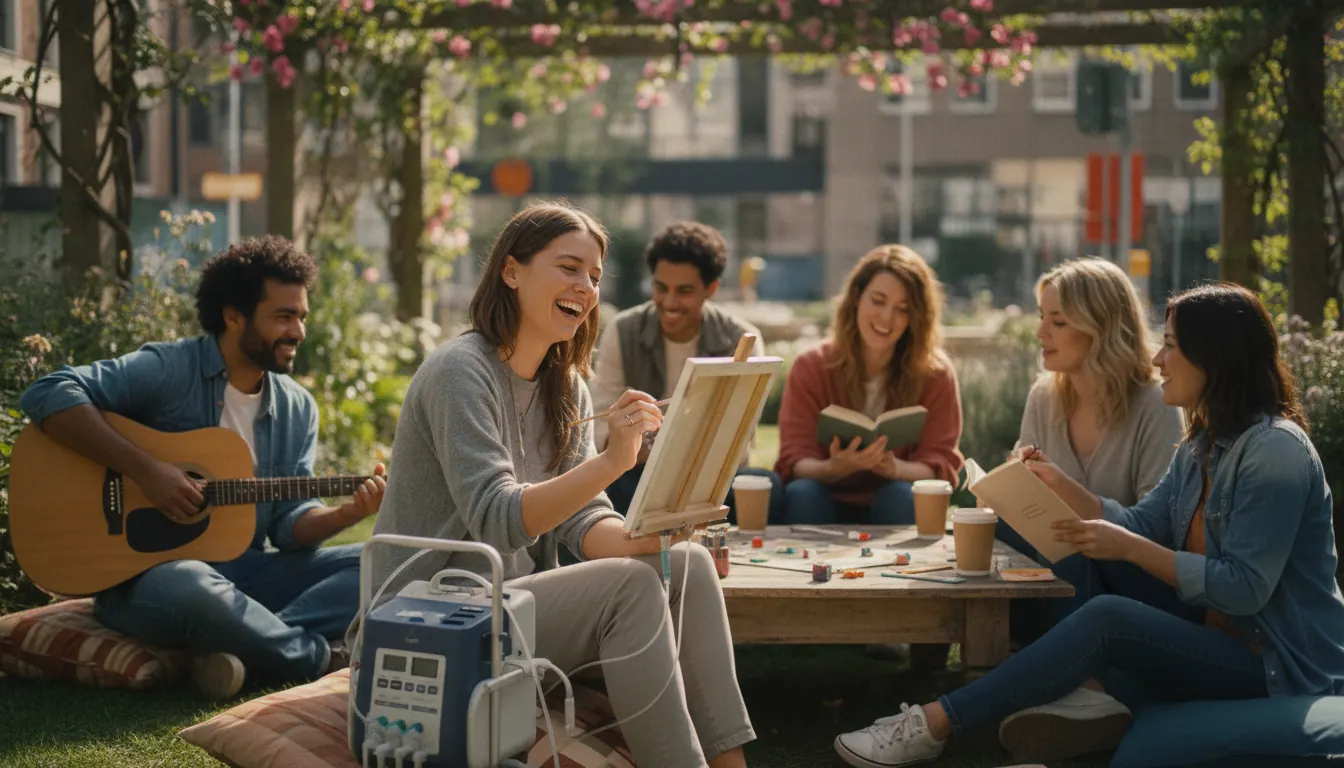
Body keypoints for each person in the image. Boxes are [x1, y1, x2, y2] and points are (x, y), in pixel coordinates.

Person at [833, 283, 1344, 767]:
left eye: (1169, 346)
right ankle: (1082, 697)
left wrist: (1125, 548)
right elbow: (1143, 523)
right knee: (1063, 537)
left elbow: (1244, 590)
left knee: (1108, 616)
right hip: (1213, 627)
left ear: (1215, 356)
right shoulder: (1202, 444)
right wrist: (1059, 487)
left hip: (1276, 662)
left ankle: (934, 725)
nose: (1157, 359)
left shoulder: (1274, 452)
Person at [363, 202, 754, 768]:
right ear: (512, 270)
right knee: (629, 589)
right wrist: (613, 463)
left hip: (510, 609)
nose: (586, 287)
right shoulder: (459, 371)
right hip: (430, 620)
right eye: (569, 268)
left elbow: (583, 523)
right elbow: (499, 520)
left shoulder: (564, 384)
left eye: (595, 276)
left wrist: (657, 529)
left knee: (688, 565)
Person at [19, 236, 385, 700]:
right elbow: (47, 392)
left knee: (383, 561)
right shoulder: (168, 368)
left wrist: (348, 514)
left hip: (247, 573)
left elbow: (290, 528)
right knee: (192, 585)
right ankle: (314, 656)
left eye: (301, 317)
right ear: (234, 316)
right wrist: (146, 471)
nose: (298, 331)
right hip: (150, 578)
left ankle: (241, 645)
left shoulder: (297, 408)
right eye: (283, 316)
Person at [1001, 258, 1184, 640]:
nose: (1040, 332)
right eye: (1041, 317)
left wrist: (1065, 490)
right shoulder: (1044, 396)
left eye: (1059, 321)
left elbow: (1158, 532)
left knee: (1071, 542)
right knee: (995, 525)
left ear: (1100, 329)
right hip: (1060, 572)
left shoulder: (1154, 402)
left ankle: (1089, 683)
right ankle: (997, 647)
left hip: (1134, 583)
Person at [588, 220, 783, 525]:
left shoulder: (740, 338)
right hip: (638, 472)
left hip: (709, 480)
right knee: (609, 489)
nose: (669, 302)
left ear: (711, 289)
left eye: (685, 291)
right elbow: (600, 425)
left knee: (768, 485)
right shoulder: (624, 331)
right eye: (661, 288)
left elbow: (740, 439)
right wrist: (634, 448)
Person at [774, 245, 964, 524]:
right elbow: (794, 459)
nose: (887, 318)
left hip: (894, 499)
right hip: (824, 496)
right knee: (804, 493)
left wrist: (895, 468)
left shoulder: (935, 373)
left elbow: (940, 466)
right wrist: (833, 468)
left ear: (917, 318)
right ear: (856, 299)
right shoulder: (811, 366)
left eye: (903, 309)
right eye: (878, 301)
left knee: (900, 495)